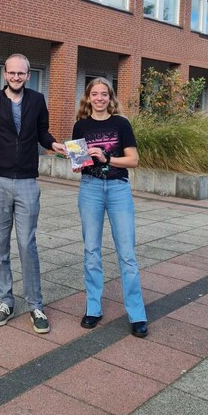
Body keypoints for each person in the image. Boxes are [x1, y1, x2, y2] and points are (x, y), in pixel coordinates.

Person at [0, 53, 66, 333]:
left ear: (27, 75)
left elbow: (42, 133)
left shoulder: (37, 100)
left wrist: (54, 145)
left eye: (21, 74)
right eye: (12, 73)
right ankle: (5, 301)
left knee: (27, 244)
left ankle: (35, 304)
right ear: (4, 73)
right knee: (0, 245)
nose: (16, 78)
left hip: (27, 181)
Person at [71, 77, 148, 337]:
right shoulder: (80, 126)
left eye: (104, 94)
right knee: (91, 251)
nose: (100, 98)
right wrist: (75, 161)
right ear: (88, 97)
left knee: (127, 253)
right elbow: (79, 161)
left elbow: (133, 160)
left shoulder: (121, 123)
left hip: (118, 190)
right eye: (95, 94)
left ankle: (137, 314)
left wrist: (107, 158)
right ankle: (93, 308)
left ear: (110, 97)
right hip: (90, 188)